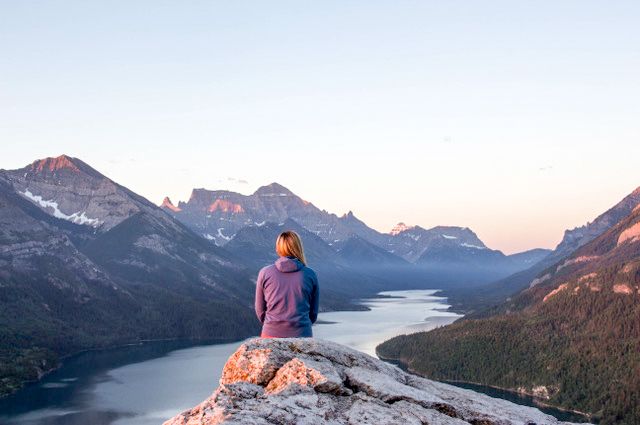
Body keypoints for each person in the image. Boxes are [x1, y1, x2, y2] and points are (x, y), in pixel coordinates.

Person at [254, 230, 319, 338]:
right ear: (298, 247)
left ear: (278, 249)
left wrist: (272, 325)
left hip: (270, 335)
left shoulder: (265, 273)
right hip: (302, 335)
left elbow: (260, 310)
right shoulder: (310, 274)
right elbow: (313, 313)